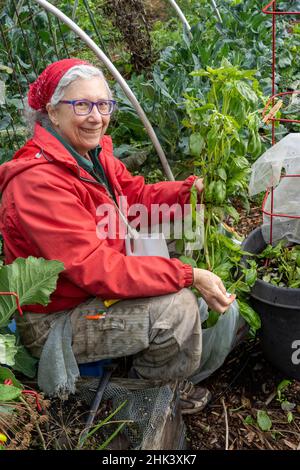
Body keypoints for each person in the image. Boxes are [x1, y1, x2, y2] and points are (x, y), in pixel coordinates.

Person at [0, 59, 234, 413]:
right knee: (177, 309)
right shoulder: (36, 184)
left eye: (103, 104)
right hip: (58, 320)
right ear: (52, 111)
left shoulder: (89, 155)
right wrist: (187, 276)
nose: (96, 116)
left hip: (90, 289)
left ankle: (140, 356)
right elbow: (97, 268)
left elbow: (136, 198)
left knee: (180, 231)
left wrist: (190, 192)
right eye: (81, 105)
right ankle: (145, 393)